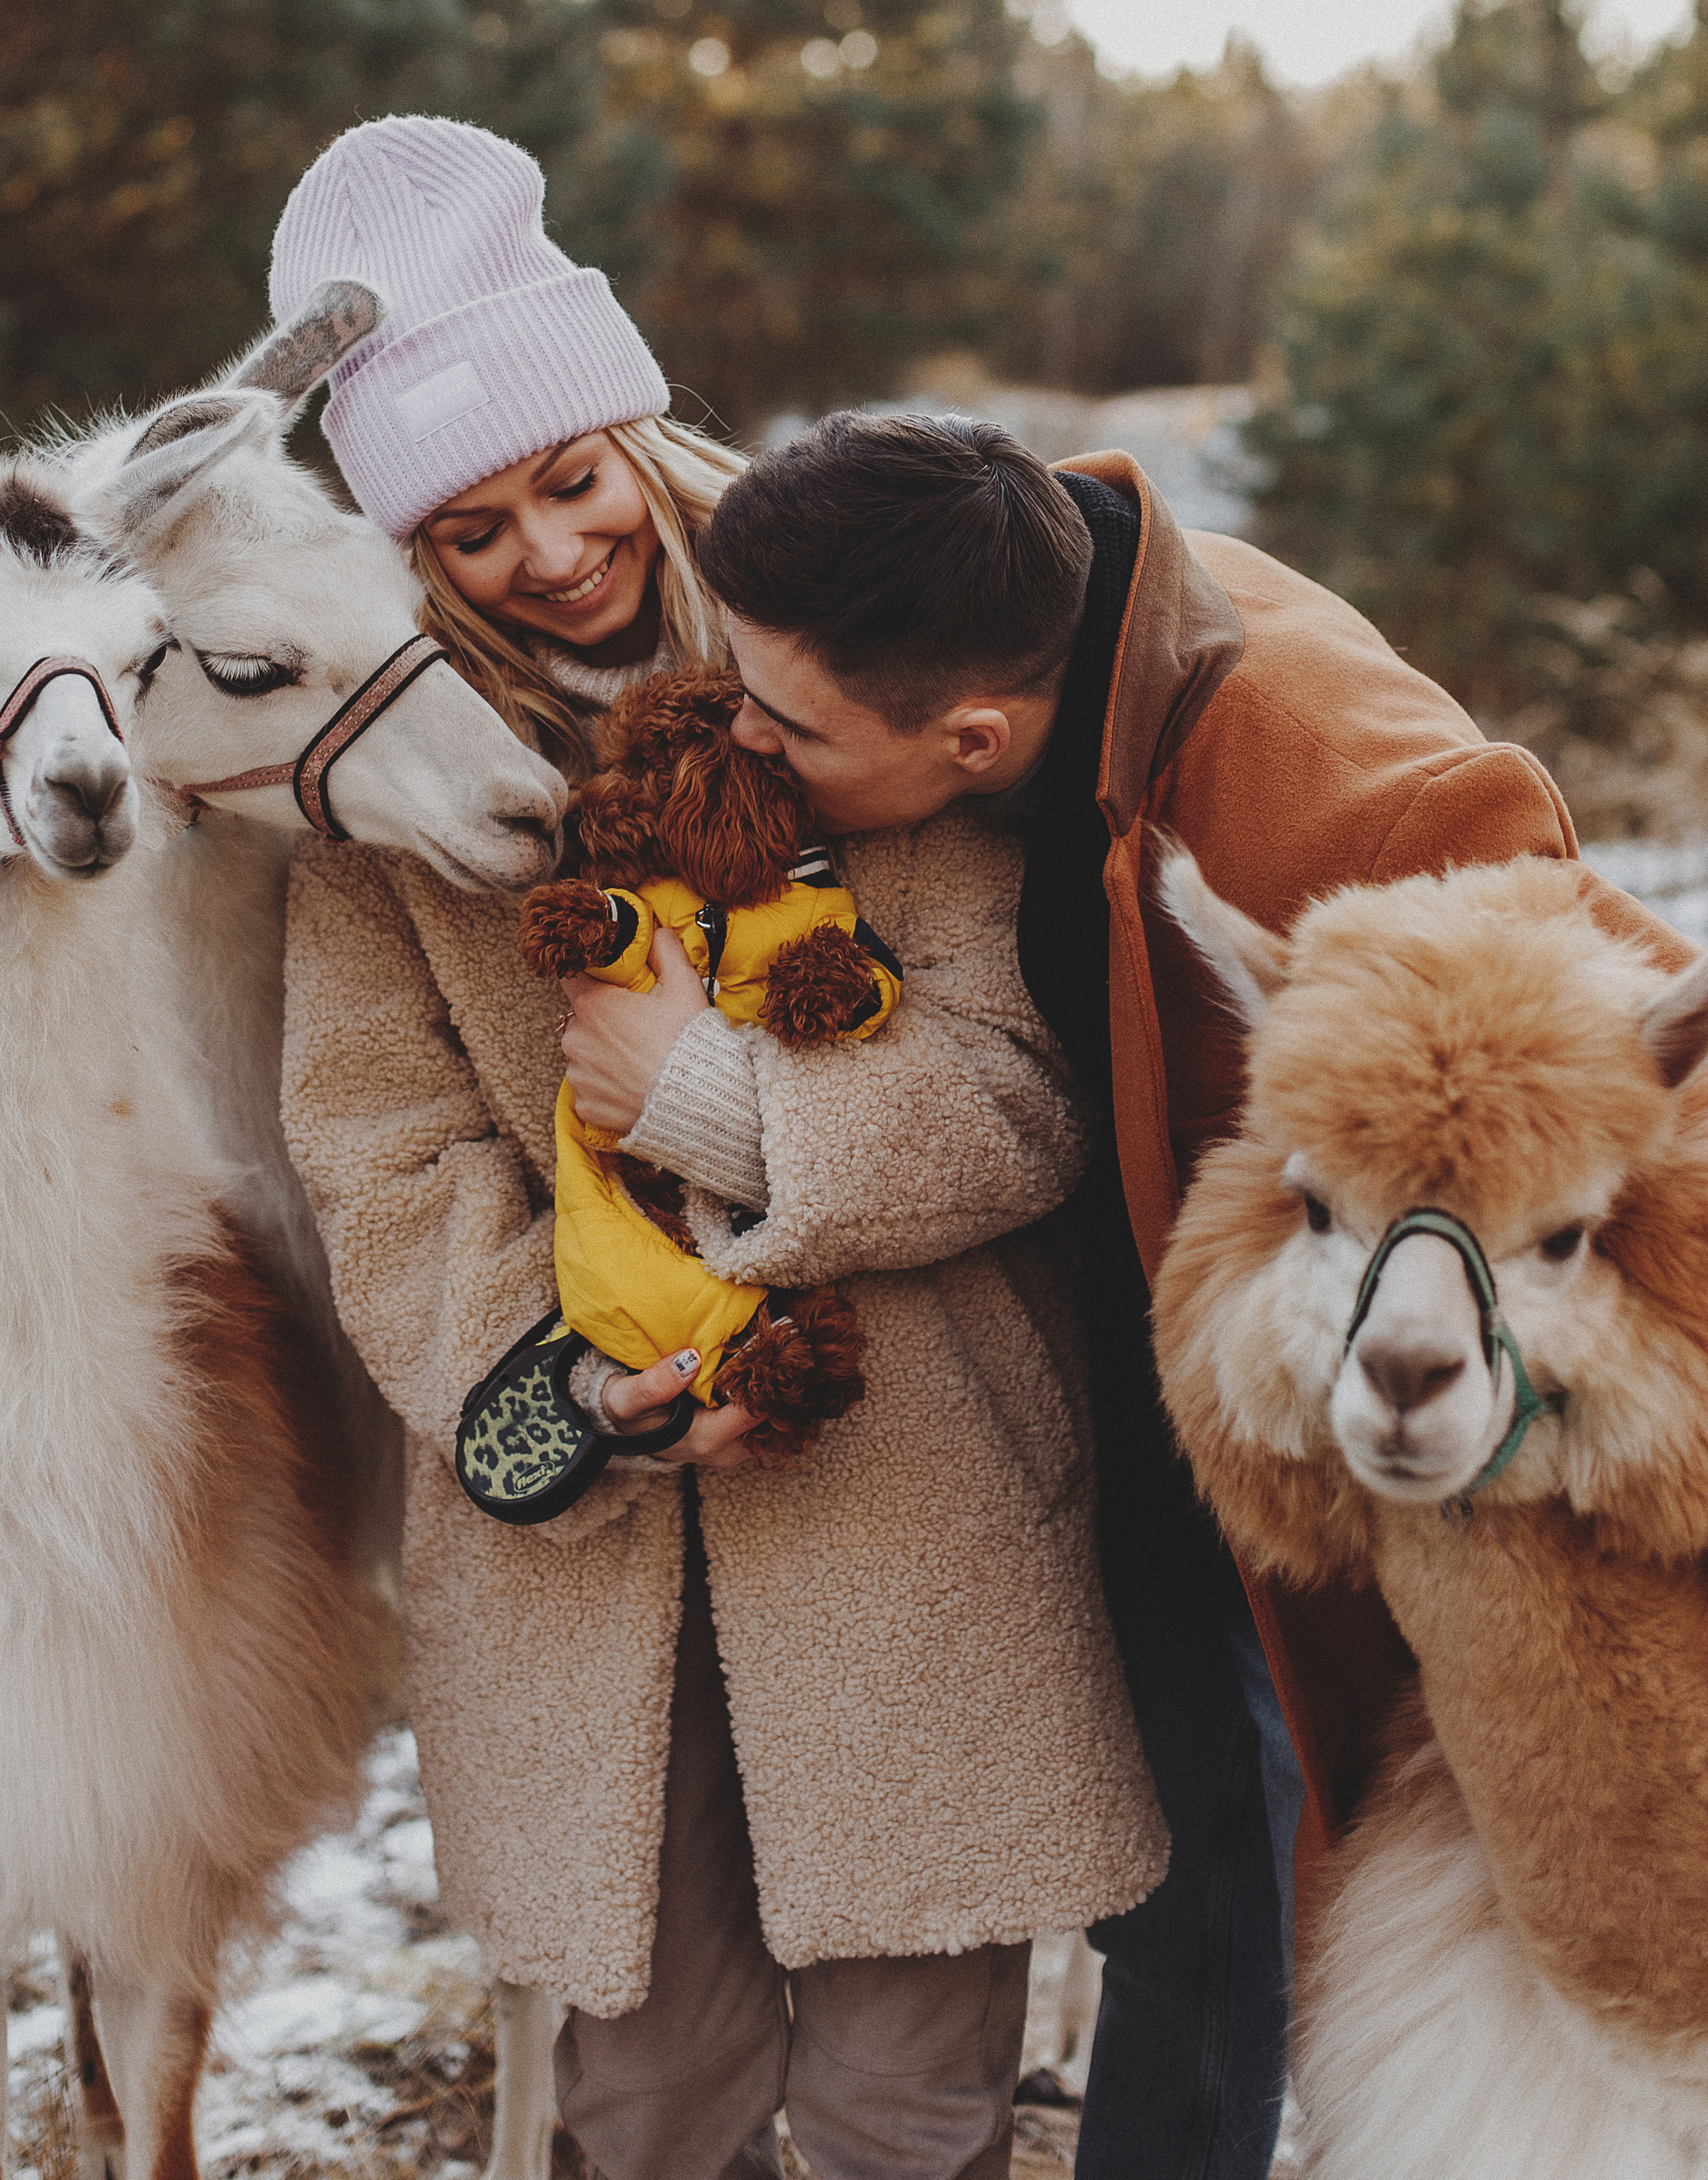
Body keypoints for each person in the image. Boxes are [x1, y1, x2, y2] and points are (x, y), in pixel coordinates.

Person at [549, 402, 1684, 2180]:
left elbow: (1638, 1040)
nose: (744, 742)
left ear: (972, 736)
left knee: (1213, 1871)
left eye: (785, 723)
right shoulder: (1011, 600)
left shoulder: (1365, 802)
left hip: (1291, 1391)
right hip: (1083, 1335)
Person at [270, 116, 1167, 2180]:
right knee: (649, 2095)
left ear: (630, 427)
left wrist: (707, 1096)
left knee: (904, 2093)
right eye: (467, 527)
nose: (545, 553)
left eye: (568, 481)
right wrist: (566, 1380)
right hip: (595, 1519)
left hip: (910, 1479)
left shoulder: (832, 651)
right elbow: (379, 1141)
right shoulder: (373, 788)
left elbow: (1018, 1084)